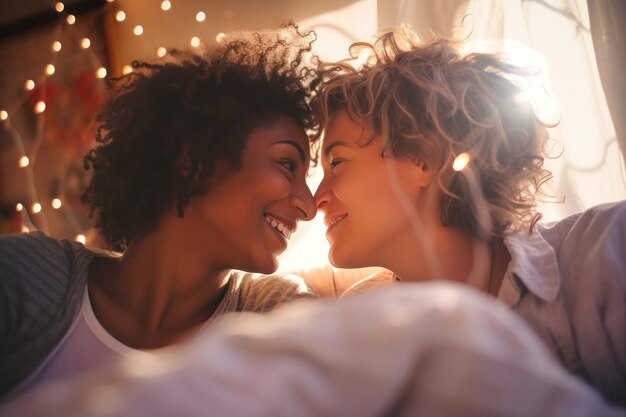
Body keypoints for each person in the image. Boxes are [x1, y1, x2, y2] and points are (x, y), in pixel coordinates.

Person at [0, 24, 321, 400]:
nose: (309, 206)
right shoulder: (26, 277)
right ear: (195, 157)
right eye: (287, 164)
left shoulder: (276, 313)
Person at [311, 27, 626, 406]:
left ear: (422, 160)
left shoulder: (607, 252)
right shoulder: (360, 324)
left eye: (338, 162)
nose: (317, 199)